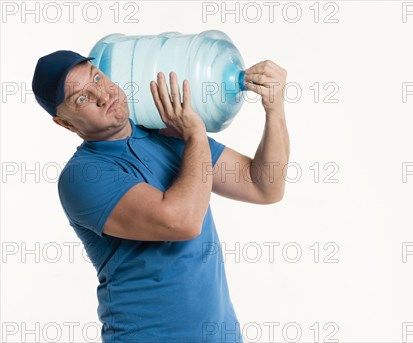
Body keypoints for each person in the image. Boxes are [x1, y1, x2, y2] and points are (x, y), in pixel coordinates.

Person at [32, 50, 290, 342]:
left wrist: (274, 109)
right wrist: (195, 136)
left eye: (97, 77)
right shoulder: (83, 176)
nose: (102, 95)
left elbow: (265, 186)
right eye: (81, 98)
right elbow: (182, 221)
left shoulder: (165, 134)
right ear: (66, 124)